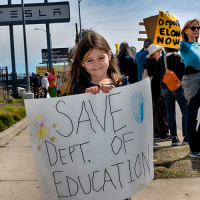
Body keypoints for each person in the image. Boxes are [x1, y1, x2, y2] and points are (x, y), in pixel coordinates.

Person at [67, 33, 130, 200]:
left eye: (101, 58)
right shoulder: (79, 88)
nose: (96, 64)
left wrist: (119, 96)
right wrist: (85, 99)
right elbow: (74, 126)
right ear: (82, 63)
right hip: (92, 161)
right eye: (89, 60)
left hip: (121, 160)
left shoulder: (123, 84)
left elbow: (133, 119)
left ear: (109, 55)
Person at [158, 47, 187, 146]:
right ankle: (186, 137)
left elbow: (159, 74)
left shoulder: (161, 59)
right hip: (177, 87)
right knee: (185, 111)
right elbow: (183, 72)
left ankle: (174, 138)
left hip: (164, 87)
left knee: (170, 113)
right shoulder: (177, 56)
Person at [180, 19, 200, 157]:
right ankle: (194, 148)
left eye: (199, 27)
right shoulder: (183, 44)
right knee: (191, 114)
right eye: (193, 27)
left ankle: (197, 142)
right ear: (185, 30)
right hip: (192, 81)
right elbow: (167, 42)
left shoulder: (198, 45)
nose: (197, 30)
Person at [144, 44, 169, 140]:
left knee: (157, 112)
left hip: (153, 90)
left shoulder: (149, 62)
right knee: (161, 112)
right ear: (153, 53)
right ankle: (164, 133)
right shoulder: (155, 62)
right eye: (158, 50)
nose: (160, 52)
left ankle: (158, 132)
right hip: (157, 90)